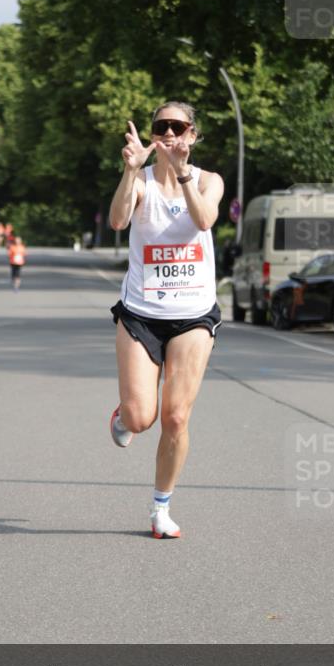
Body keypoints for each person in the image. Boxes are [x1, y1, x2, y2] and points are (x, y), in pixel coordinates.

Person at [108, 102, 224, 539]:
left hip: (193, 315)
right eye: (162, 127)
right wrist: (130, 172)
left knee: (175, 418)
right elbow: (118, 220)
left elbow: (204, 220)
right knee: (142, 418)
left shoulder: (209, 180)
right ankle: (125, 416)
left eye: (179, 127)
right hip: (141, 314)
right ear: (154, 135)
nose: (170, 133)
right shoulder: (141, 182)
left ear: (192, 134)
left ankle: (161, 509)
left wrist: (183, 174)